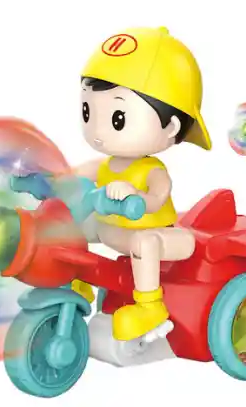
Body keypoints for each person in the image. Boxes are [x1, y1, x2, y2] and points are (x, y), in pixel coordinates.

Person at [73, 27, 212, 342]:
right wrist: (47, 176)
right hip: (112, 230)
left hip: (162, 237)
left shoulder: (152, 170)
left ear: (171, 126)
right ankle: (77, 279)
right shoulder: (105, 165)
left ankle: (151, 307)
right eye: (88, 111)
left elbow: (156, 199)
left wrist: (136, 196)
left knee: (144, 243)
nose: (98, 132)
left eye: (117, 118)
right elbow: (71, 174)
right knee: (73, 226)